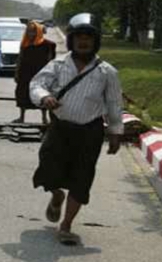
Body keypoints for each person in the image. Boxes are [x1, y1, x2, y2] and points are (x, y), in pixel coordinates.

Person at [31, 13, 122, 246]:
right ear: (71, 41)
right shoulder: (58, 64)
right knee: (48, 168)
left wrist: (115, 133)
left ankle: (66, 226)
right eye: (79, 37)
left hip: (89, 133)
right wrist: (45, 97)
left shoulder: (107, 72)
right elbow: (37, 84)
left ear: (96, 41)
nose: (83, 42)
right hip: (60, 129)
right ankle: (56, 195)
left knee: (82, 178)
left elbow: (113, 103)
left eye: (88, 38)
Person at [14, 20, 57, 124]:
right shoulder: (25, 44)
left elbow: (51, 60)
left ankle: (44, 117)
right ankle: (21, 117)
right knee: (22, 93)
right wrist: (17, 72)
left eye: (33, 31)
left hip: (40, 73)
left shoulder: (48, 44)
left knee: (42, 94)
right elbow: (20, 58)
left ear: (38, 32)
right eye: (28, 31)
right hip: (25, 73)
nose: (31, 34)